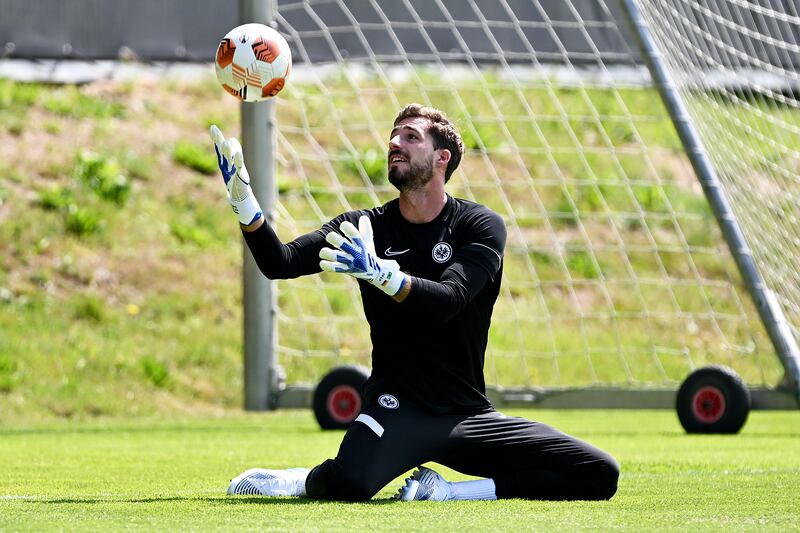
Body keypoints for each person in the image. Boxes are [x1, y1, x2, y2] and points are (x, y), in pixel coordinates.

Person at [209, 104, 619, 502]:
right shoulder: (363, 228)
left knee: (599, 472)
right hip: (395, 406)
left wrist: (380, 273)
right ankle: (299, 481)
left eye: (411, 136)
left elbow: (449, 299)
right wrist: (244, 202)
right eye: (393, 134)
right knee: (349, 485)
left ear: (442, 158)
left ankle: (449, 492)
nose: (394, 142)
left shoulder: (479, 225)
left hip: (467, 416)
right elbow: (279, 263)